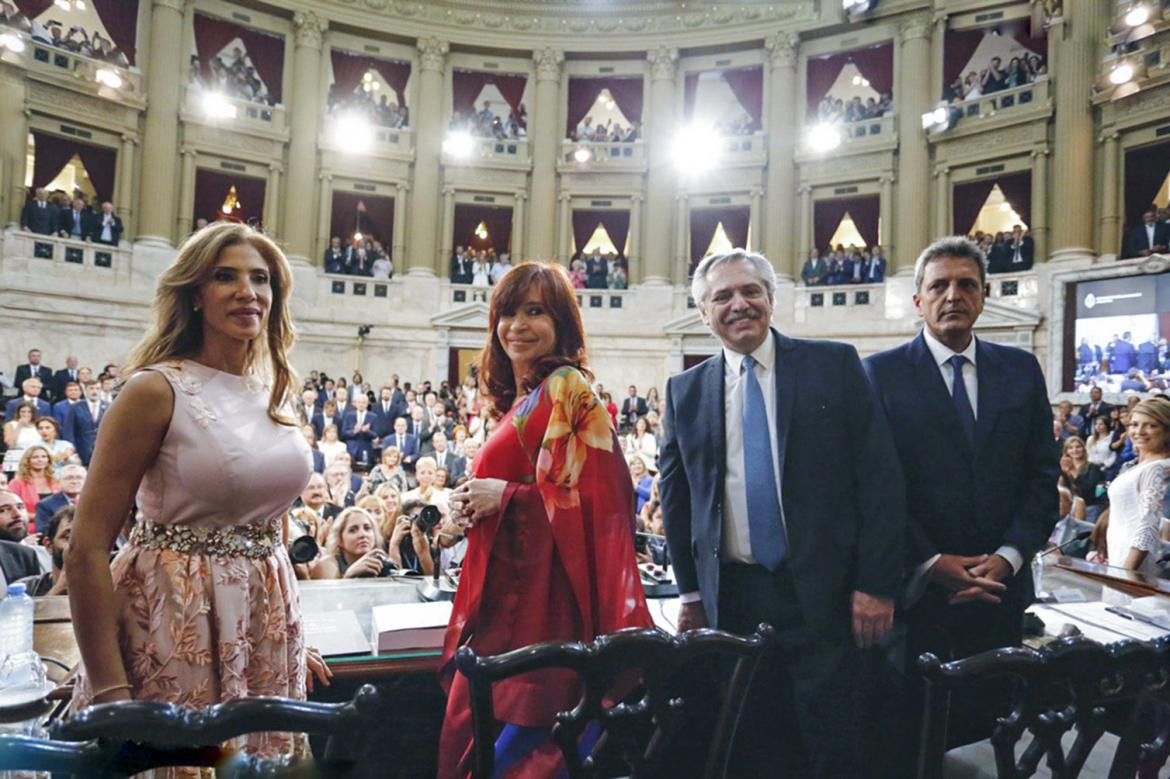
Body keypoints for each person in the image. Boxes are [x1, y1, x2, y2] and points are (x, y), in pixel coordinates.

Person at [64, 222, 330, 767]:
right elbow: (86, 547)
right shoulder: (153, 390)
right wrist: (111, 693)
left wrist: (287, 636)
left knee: (258, 768)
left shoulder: (272, 391)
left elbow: (267, 514)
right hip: (175, 616)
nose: (247, 291)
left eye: (260, 279)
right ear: (193, 294)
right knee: (185, 766)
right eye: (224, 277)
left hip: (265, 623)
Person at [659, 249, 904, 776]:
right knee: (749, 742)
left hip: (829, 594)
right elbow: (680, 504)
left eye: (750, 291)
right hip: (736, 597)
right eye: (722, 296)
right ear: (704, 312)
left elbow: (880, 480)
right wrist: (690, 593)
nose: (738, 304)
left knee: (831, 743)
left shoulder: (832, 365)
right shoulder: (685, 391)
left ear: (771, 299)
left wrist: (877, 583)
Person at [439, 262, 653, 777]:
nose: (517, 325)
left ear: (562, 322)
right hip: (510, 604)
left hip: (548, 613)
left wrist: (508, 497)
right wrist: (474, 506)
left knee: (525, 757)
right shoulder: (523, 400)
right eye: (507, 312)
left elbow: (608, 499)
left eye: (535, 311)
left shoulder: (566, 386)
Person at [861, 236, 1058, 767]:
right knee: (911, 744)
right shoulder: (877, 375)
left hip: (999, 596)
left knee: (991, 739)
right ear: (918, 300)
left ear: (984, 295)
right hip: (918, 597)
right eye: (939, 285)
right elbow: (875, 489)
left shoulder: (1020, 370)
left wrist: (1008, 557)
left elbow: (1042, 479)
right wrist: (931, 563)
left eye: (966, 284)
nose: (953, 295)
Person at [1102, 397, 1170, 575]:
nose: (1139, 431)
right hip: (1118, 550)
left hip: (1132, 558)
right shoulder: (1139, 465)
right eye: (1134, 424)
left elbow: (1149, 523)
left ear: (1167, 430)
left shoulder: (1156, 468)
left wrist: (1128, 572)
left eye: (1150, 425)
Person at [309, 506, 390, 579]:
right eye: (352, 530)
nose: (363, 534)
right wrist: (348, 576)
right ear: (340, 539)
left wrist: (394, 547)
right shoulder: (326, 566)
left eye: (367, 528)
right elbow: (327, 595)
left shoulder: (382, 563)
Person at [18, 504, 74, 596]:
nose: (79, 545)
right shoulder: (26, 588)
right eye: (68, 537)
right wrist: (58, 590)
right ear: (49, 545)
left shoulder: (104, 584)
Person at [9, 445, 60, 520]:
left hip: (55, 525)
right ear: (27, 460)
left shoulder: (56, 481)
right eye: (35, 457)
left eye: (44, 456)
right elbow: (10, 508)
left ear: (48, 460)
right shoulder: (17, 483)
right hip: (29, 526)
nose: (40, 460)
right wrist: (38, 517)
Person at [3, 402, 42, 476]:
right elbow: (10, 444)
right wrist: (19, 426)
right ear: (18, 413)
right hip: (15, 461)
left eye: (29, 411)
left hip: (34, 461)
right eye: (23, 411)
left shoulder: (38, 426)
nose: (26, 414)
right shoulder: (10, 425)